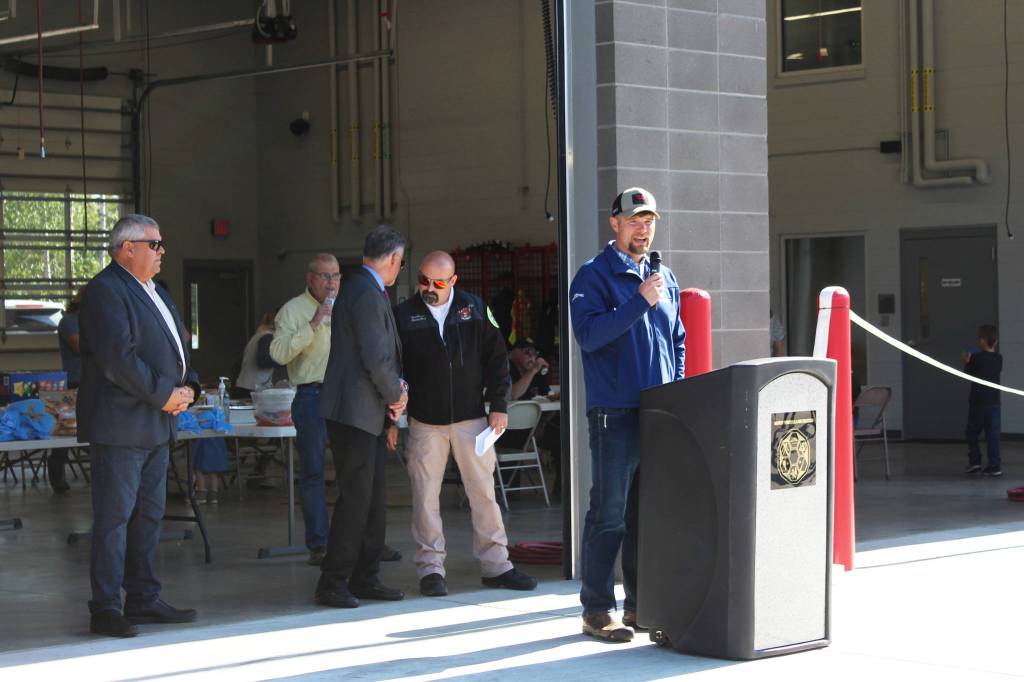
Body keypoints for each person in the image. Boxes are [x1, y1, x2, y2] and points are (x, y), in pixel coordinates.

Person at [569, 187, 685, 642]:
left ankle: (641, 605)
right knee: (610, 514)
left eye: (650, 219)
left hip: (657, 412)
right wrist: (638, 300)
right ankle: (597, 609)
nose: (643, 228)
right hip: (614, 414)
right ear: (614, 223)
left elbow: (677, 339)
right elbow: (590, 336)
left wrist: (675, 391)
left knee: (645, 515)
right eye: (634, 219)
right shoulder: (593, 276)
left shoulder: (664, 276)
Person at [77, 214, 200, 638]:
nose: (162, 250)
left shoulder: (157, 292)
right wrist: (163, 393)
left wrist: (190, 388)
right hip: (121, 424)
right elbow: (118, 358)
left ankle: (143, 597)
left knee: (148, 516)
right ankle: (106, 606)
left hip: (155, 422)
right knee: (115, 518)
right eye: (155, 243)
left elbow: (179, 347)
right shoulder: (105, 291)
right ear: (127, 248)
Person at [389, 251, 537, 598]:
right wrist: (392, 417)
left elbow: (497, 358)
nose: (428, 288)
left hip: (472, 418)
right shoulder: (404, 314)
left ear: (453, 281)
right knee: (425, 497)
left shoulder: (473, 308)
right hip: (425, 421)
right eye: (423, 280)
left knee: (483, 493)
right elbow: (392, 368)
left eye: (437, 283)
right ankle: (431, 569)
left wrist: (499, 405)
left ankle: (497, 565)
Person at [315, 226, 408, 608]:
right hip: (355, 410)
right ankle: (333, 582)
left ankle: (365, 576)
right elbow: (376, 356)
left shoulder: (363, 289)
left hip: (364, 410)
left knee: (372, 498)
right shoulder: (366, 293)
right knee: (357, 499)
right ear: (393, 260)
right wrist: (397, 395)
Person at [269, 254, 340, 566]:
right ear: (309, 278)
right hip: (310, 394)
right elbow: (279, 353)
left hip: (344, 394)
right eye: (324, 276)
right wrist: (314, 322)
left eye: (335, 276)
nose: (331, 282)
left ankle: (358, 540)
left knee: (355, 469)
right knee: (312, 471)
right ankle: (319, 544)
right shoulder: (292, 310)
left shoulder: (347, 306)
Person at [507, 337, 562, 496]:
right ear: (513, 353)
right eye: (526, 352)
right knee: (515, 439)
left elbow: (546, 399)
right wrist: (532, 372)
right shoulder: (507, 368)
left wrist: (543, 422)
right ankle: (511, 491)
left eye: (534, 353)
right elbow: (513, 394)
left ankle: (562, 488)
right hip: (507, 428)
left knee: (563, 435)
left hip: (535, 428)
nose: (531, 357)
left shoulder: (538, 372)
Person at [49, 286, 86, 494]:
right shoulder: (69, 322)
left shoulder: (93, 321)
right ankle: (57, 472)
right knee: (66, 429)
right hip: (74, 381)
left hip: (94, 381)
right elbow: (80, 347)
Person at [962, 324, 1003, 477]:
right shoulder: (999, 358)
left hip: (978, 402)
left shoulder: (977, 357)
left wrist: (967, 361)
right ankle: (994, 465)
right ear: (996, 342)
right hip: (994, 402)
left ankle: (975, 462)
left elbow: (969, 373)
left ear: (983, 341)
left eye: (979, 338)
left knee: (972, 432)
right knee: (992, 434)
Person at [236, 311, 286, 397]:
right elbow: (263, 361)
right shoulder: (267, 337)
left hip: (246, 385)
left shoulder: (258, 335)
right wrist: (286, 359)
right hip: (253, 387)